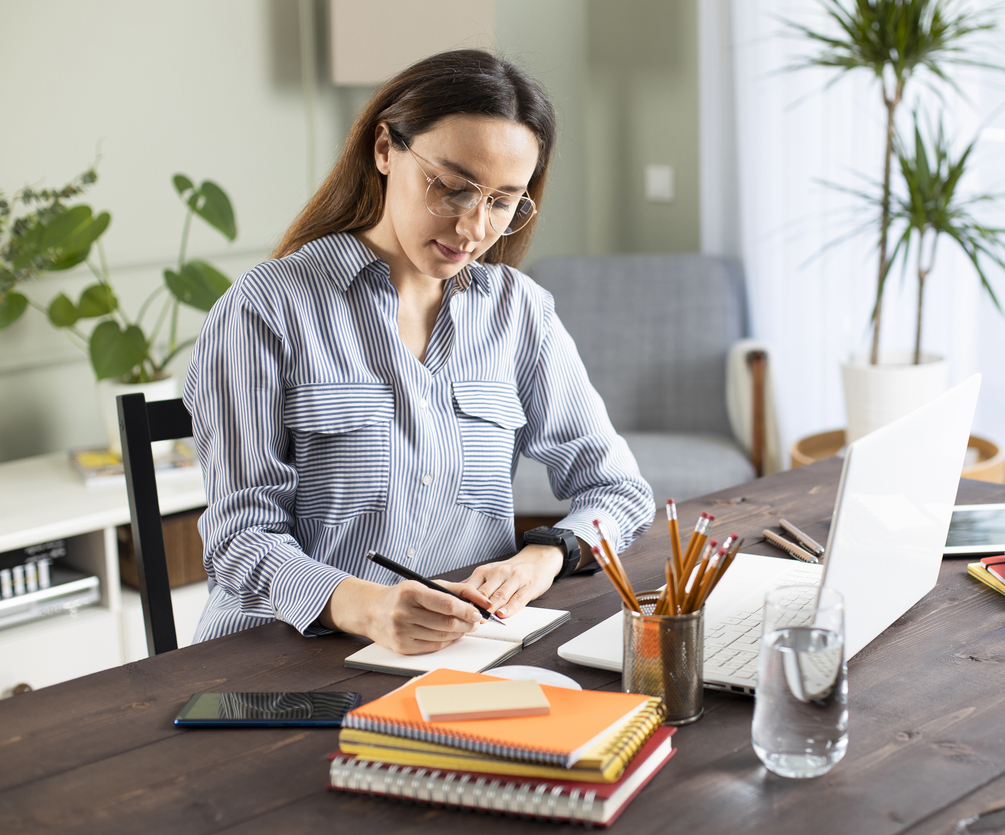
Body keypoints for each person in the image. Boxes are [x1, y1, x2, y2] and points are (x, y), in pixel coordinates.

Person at [184, 49, 654, 655]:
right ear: (384, 150)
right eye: (452, 188)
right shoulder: (266, 309)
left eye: (502, 201)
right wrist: (370, 608)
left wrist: (543, 557)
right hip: (283, 659)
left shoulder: (518, 313)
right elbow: (239, 540)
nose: (473, 228)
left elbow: (618, 490)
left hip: (461, 654)